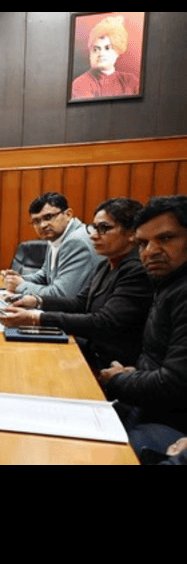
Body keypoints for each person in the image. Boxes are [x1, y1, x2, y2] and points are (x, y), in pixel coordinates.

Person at [0, 198, 153, 369]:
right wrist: (36, 301)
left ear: (132, 233)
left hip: (111, 364)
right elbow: (79, 303)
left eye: (104, 228)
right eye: (94, 227)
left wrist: (36, 318)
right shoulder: (106, 264)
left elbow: (104, 322)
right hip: (92, 351)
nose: (93, 235)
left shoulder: (137, 271)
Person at [98, 195, 187, 458]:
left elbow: (174, 384)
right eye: (143, 243)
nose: (150, 251)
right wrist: (134, 373)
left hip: (168, 419)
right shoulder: (169, 282)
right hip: (147, 402)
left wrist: (118, 380)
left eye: (166, 238)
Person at [0, 192, 102, 298]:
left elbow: (61, 295)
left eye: (48, 217)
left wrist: (20, 285)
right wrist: (19, 279)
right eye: (36, 221)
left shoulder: (76, 241)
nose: (42, 225)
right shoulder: (56, 236)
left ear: (68, 214)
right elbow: (45, 275)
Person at [71, 15, 140, 100]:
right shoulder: (81, 83)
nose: (101, 53)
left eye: (107, 48)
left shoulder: (131, 81)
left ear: (117, 51)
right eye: (96, 49)